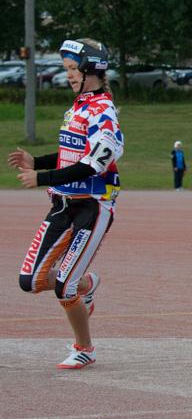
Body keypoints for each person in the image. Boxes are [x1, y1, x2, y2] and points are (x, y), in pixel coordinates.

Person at [8, 38, 124, 369]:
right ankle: (88, 283)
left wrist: (41, 179)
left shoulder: (104, 111)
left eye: (73, 69)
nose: (69, 76)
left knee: (64, 286)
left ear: (91, 70)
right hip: (62, 206)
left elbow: (93, 164)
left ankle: (84, 348)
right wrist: (37, 161)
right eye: (67, 70)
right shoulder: (77, 106)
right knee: (29, 282)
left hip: (92, 206)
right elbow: (70, 154)